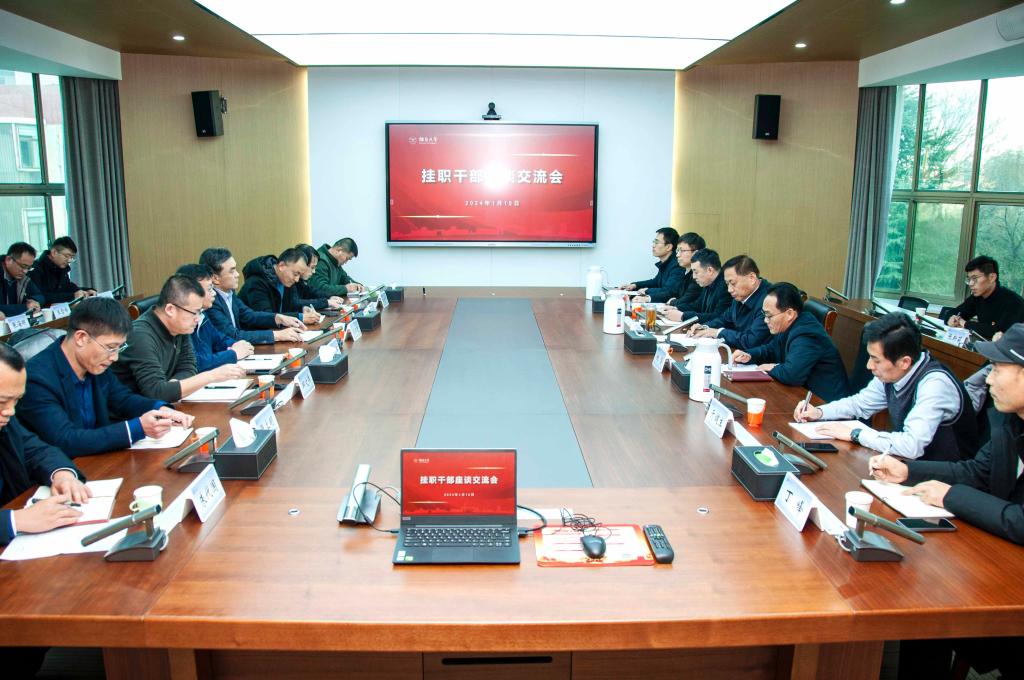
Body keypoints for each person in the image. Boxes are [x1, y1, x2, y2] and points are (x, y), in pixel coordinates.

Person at [870, 325, 1024, 679]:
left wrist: (951, 496)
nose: (988, 380)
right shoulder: (1009, 422)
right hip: (1002, 562)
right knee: (926, 599)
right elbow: (976, 471)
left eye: (997, 370)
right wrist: (908, 471)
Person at [18, 297, 194, 457]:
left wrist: (162, 409)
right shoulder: (36, 379)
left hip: (97, 459)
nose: (115, 357)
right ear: (81, 338)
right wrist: (137, 428)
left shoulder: (93, 364)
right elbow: (65, 440)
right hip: (62, 471)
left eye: (119, 348)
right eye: (111, 348)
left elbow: (122, 399)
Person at [794, 312, 977, 462]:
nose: (869, 366)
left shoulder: (935, 384)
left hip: (946, 482)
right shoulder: (893, 373)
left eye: (876, 360)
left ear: (905, 362)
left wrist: (855, 434)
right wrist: (819, 412)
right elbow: (860, 403)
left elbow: (911, 445)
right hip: (910, 468)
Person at [111, 274, 246, 402]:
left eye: (200, 312)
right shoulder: (140, 336)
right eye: (195, 312)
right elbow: (156, 392)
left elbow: (189, 367)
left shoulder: (180, 327)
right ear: (170, 310)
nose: (198, 318)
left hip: (164, 406)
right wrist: (211, 376)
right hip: (133, 413)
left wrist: (172, 387)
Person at [732, 282, 850, 402]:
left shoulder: (807, 334)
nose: (765, 320)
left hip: (825, 403)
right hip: (802, 395)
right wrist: (749, 355)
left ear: (789, 314)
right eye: (764, 314)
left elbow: (792, 375)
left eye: (769, 315)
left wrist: (772, 368)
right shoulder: (788, 324)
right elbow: (771, 349)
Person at [199, 248, 306, 345]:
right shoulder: (210, 302)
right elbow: (232, 335)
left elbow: (249, 315)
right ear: (215, 278)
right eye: (232, 271)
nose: (237, 274)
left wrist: (278, 318)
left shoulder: (229, 293)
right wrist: (276, 335)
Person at [175, 263, 254, 371]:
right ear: (191, 292)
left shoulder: (203, 314)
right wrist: (233, 353)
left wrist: (237, 345)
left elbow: (220, 340)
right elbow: (196, 363)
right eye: (209, 289)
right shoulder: (182, 322)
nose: (214, 293)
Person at [689, 255, 771, 350]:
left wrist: (718, 332)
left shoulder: (768, 300)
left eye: (733, 283)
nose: (729, 289)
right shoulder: (741, 295)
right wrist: (705, 327)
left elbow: (751, 340)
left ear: (752, 278)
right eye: (727, 284)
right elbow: (724, 319)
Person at [946, 255, 1024, 340]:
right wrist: (951, 318)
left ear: (992, 277)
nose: (971, 284)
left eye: (974, 278)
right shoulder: (978, 297)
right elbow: (954, 312)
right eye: (969, 279)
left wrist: (964, 323)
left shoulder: (1013, 302)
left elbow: (999, 333)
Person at [239, 248, 320, 325]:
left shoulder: (286, 281)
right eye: (295, 274)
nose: (297, 279)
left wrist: (302, 309)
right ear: (281, 266)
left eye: (299, 275)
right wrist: (300, 317)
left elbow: (288, 307)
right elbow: (266, 317)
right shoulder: (257, 282)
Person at [662, 248, 731, 323]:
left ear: (710, 270)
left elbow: (718, 317)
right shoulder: (708, 283)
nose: (694, 277)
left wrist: (683, 316)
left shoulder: (726, 287)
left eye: (696, 272)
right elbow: (697, 306)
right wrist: (676, 308)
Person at [26, 236, 96, 305]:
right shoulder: (35, 269)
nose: (69, 260)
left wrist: (85, 291)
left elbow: (67, 287)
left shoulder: (61, 267)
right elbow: (41, 297)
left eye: (71, 257)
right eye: (67, 256)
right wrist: (73, 295)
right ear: (54, 252)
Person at [622, 228, 683, 303]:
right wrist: (635, 285)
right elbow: (655, 282)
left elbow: (669, 291)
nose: (653, 245)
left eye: (657, 242)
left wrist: (647, 291)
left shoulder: (677, 265)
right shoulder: (666, 263)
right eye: (654, 242)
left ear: (668, 247)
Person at [294, 244, 345, 311]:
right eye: (312, 267)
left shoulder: (301, 281)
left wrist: (330, 297)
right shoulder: (289, 281)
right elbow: (296, 303)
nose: (314, 271)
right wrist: (326, 302)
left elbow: (311, 291)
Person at [0, 242, 45, 317]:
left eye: (29, 268)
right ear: (8, 260)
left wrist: (34, 301)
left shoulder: (22, 276)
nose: (25, 271)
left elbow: (39, 295)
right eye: (23, 266)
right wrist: (25, 307)